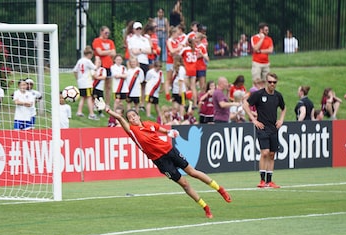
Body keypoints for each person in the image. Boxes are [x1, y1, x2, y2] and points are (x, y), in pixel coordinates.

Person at [104, 106, 232, 218]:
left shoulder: (149, 124)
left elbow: (161, 129)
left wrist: (169, 132)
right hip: (160, 161)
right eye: (129, 117)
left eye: (134, 116)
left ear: (138, 116)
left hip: (170, 150)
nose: (132, 118)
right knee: (185, 184)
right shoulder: (132, 130)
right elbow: (120, 119)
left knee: (192, 172)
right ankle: (205, 207)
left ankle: (220, 190)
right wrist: (107, 109)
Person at [244, 72, 286, 188]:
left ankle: (270, 180)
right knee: (265, 152)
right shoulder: (259, 94)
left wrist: (281, 120)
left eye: (274, 82)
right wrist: (253, 119)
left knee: (272, 154)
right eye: (270, 82)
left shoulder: (278, 96)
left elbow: (283, 108)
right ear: (266, 82)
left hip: (273, 128)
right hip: (262, 127)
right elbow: (245, 104)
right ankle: (262, 180)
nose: (272, 84)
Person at [128, 21, 152, 108]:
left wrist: (140, 50)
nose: (138, 30)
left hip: (145, 62)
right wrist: (143, 50)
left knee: (143, 83)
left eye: (140, 29)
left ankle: (142, 103)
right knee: (135, 82)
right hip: (136, 62)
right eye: (137, 29)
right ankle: (134, 100)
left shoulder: (145, 39)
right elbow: (134, 51)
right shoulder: (131, 39)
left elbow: (149, 51)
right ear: (134, 30)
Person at [92, 26, 116, 107]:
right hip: (101, 65)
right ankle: (96, 102)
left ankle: (107, 103)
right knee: (98, 85)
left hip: (109, 65)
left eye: (108, 33)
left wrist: (105, 52)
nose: (107, 34)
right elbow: (99, 52)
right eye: (106, 33)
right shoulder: (97, 41)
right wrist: (109, 52)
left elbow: (114, 53)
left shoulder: (110, 42)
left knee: (108, 86)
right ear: (101, 32)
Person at [73, 46, 96, 118]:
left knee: (83, 97)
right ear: (89, 54)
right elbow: (95, 68)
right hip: (87, 82)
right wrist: (98, 62)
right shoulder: (88, 61)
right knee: (89, 97)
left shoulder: (80, 61)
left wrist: (78, 79)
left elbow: (75, 70)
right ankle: (91, 114)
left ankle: (79, 111)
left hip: (81, 82)